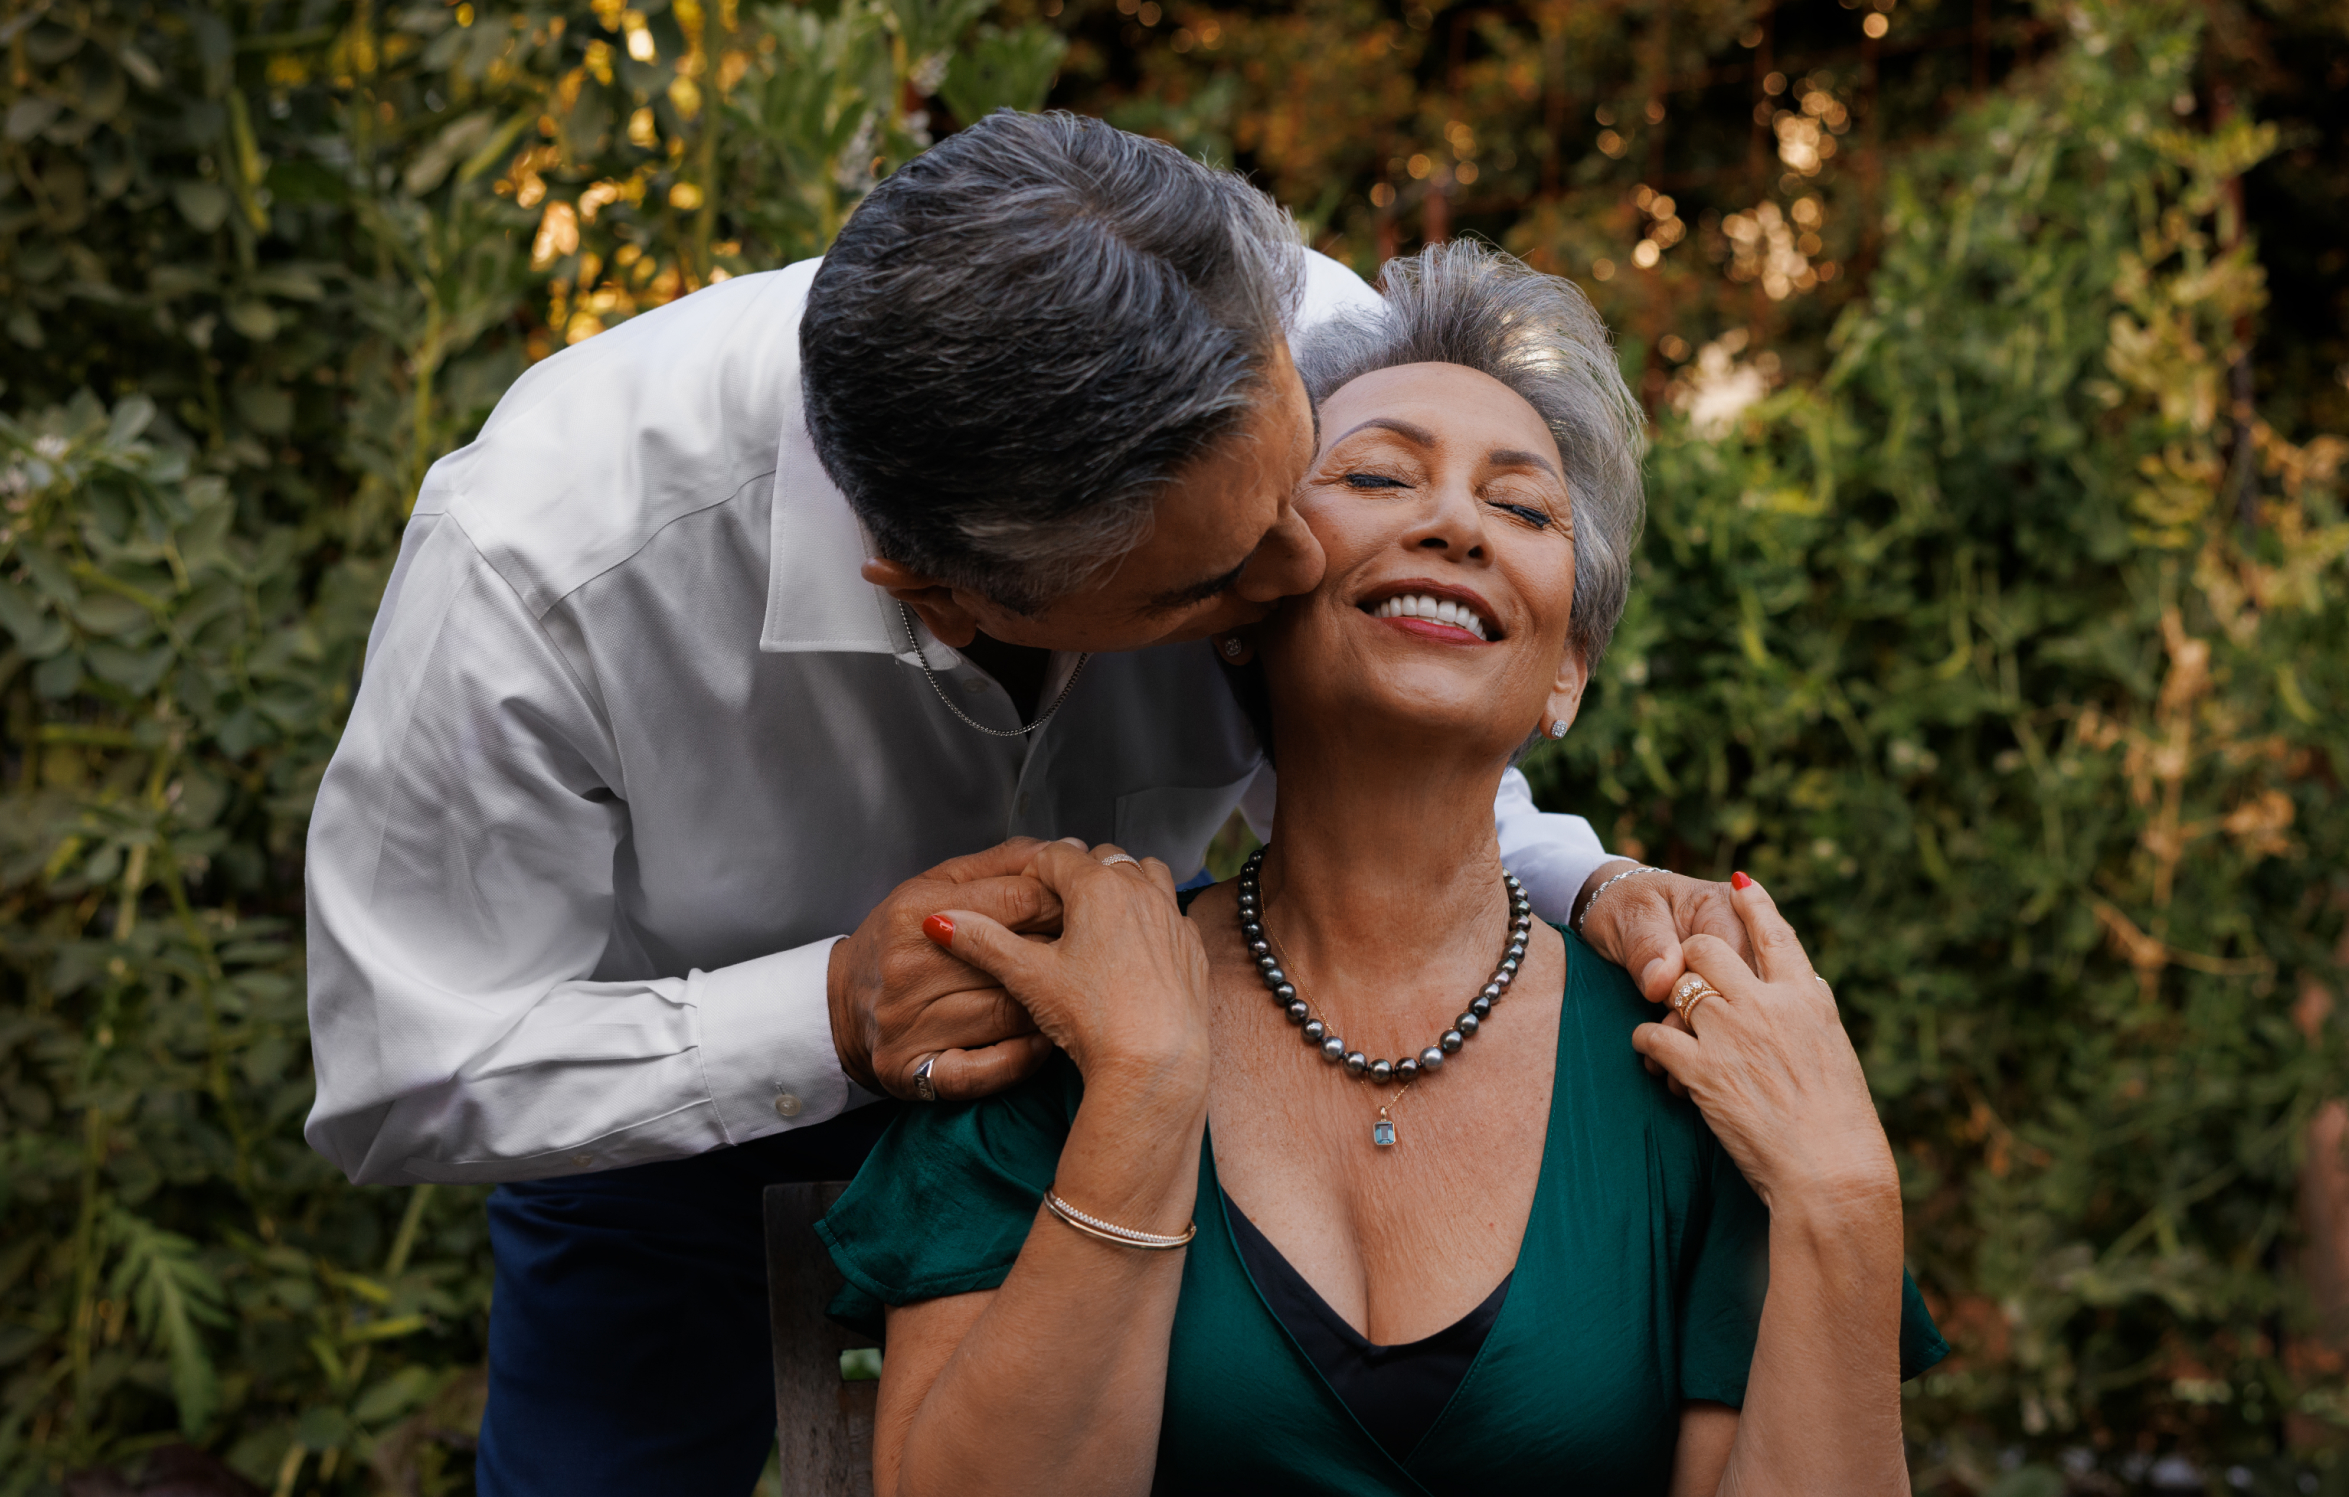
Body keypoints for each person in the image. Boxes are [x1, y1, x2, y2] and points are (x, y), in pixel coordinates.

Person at [302, 112, 1749, 1493]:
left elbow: (1385, 701)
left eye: (1304, 486)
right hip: (669, 1126)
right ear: (941, 594)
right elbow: (405, 1068)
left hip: (1147, 1084)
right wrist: (826, 1017)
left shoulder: (1304, 337)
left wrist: (1580, 881)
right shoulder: (541, 565)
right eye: (1211, 586)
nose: (1296, 580)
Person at [819, 241, 1947, 1495]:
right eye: (1376, 474)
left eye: (1522, 507)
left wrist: (1843, 1193)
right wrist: (1142, 1090)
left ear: (1568, 669)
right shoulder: (1054, 1023)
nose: (1456, 522)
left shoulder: (1701, 1069)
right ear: (1247, 597)